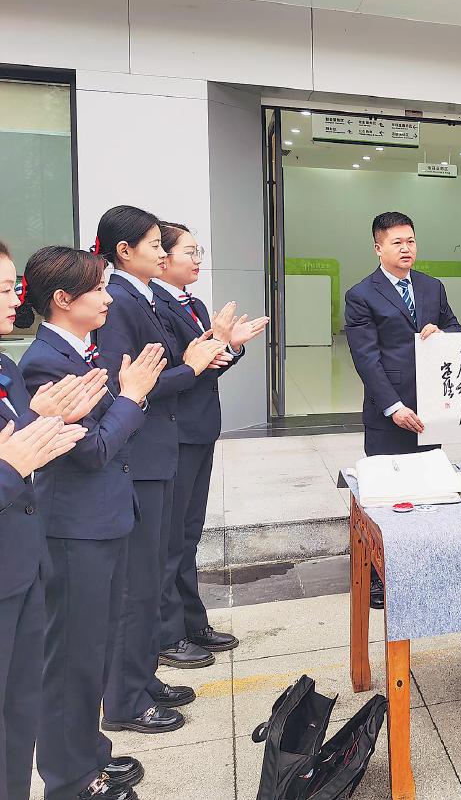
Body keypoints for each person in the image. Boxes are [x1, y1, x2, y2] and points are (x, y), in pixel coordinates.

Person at [20, 245, 166, 800]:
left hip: (104, 517)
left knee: (96, 648)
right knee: (71, 659)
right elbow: (93, 450)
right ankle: (70, 779)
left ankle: (90, 753)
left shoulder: (83, 350)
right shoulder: (44, 363)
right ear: (63, 299)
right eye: (98, 290)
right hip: (74, 529)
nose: (108, 299)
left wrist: (129, 398)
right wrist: (133, 397)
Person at [92, 207, 226, 734]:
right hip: (142, 452)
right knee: (138, 581)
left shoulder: (141, 297)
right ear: (125, 251)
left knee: (149, 575)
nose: (163, 253)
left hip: (159, 448)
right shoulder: (122, 301)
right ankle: (126, 697)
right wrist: (190, 366)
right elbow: (129, 384)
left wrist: (198, 357)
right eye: (155, 244)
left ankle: (142, 679)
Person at [0, 241, 97, 800]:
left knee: (19, 714)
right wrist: (10, 467)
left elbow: (20, 437)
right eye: (2, 289)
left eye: (13, 286)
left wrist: (42, 417)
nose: (15, 299)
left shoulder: (7, 367)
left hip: (21, 562)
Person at [151, 223, 268, 665]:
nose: (198, 259)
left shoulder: (194, 304)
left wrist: (229, 347)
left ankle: (191, 621)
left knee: (188, 533)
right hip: (176, 431)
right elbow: (179, 368)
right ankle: (168, 633)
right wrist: (218, 342)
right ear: (163, 257)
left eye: (199, 251)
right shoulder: (155, 305)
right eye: (190, 251)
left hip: (200, 427)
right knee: (171, 539)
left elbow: (206, 366)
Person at [344, 212, 461, 608]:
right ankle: (377, 577)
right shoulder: (362, 295)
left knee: (429, 489)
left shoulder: (432, 286)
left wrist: (442, 333)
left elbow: (456, 329)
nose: (406, 248)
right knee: (387, 497)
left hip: (430, 409)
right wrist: (393, 407)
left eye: (410, 240)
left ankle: (424, 569)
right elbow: (366, 358)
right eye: (397, 242)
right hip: (389, 410)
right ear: (378, 248)